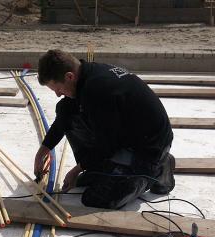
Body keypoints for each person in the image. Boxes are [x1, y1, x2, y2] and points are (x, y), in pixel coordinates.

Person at [34, 49, 175, 209]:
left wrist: (77, 169)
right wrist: (43, 151)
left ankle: (156, 170)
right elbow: (63, 119)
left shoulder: (97, 91)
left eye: (57, 89)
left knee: (96, 198)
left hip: (148, 149)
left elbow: (107, 146)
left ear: (69, 76)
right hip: (130, 134)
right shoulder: (87, 74)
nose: (58, 94)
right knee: (65, 109)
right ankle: (104, 169)